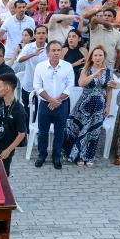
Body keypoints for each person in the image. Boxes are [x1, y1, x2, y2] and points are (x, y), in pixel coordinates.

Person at [64, 47, 112, 167]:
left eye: (100, 55)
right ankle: (78, 156)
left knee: (94, 132)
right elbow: (81, 83)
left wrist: (108, 106)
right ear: (91, 57)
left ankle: (89, 156)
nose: (98, 58)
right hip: (84, 106)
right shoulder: (86, 69)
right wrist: (95, 74)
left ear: (104, 57)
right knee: (81, 130)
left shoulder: (108, 72)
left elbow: (109, 90)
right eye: (95, 55)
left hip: (99, 108)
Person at [31, 41, 75, 169]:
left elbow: (70, 86)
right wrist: (51, 100)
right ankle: (42, 155)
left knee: (59, 133)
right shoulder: (40, 67)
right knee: (42, 132)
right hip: (45, 105)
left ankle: (56, 157)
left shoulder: (67, 66)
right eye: (53, 50)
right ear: (47, 52)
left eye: (58, 50)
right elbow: (37, 86)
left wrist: (57, 101)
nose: (56, 53)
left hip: (62, 105)